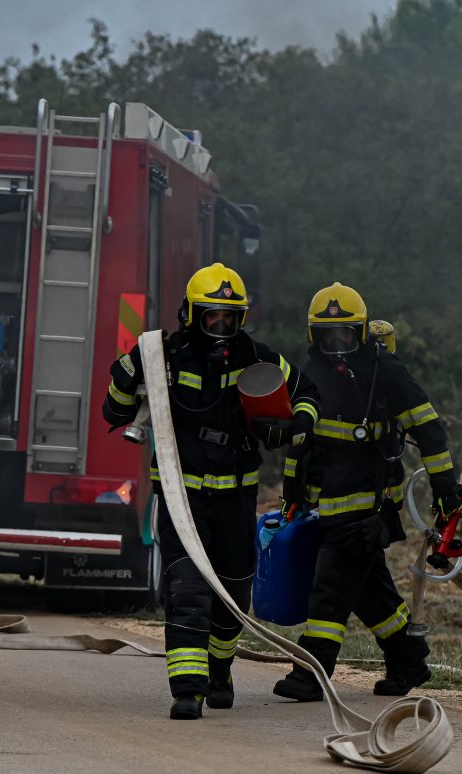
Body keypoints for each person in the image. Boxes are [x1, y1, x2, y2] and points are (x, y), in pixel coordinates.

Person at [102, 263, 319, 719]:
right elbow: (115, 411)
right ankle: (188, 688)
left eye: (230, 318)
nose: (222, 328)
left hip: (236, 495)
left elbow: (306, 393)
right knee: (187, 586)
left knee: (234, 589)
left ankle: (220, 666)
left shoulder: (256, 358)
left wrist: (292, 426)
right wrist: (125, 380)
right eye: (212, 317)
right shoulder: (161, 354)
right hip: (182, 494)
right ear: (190, 314)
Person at [273, 282, 462, 702]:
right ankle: (408, 660)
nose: (337, 344)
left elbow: (429, 431)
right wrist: (291, 493)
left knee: (329, 587)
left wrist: (445, 489)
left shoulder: (386, 371)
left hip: (367, 508)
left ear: (361, 332)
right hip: (324, 506)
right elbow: (300, 443)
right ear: (313, 335)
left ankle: (311, 674)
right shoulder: (309, 375)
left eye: (345, 335)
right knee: (368, 593)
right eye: (328, 335)